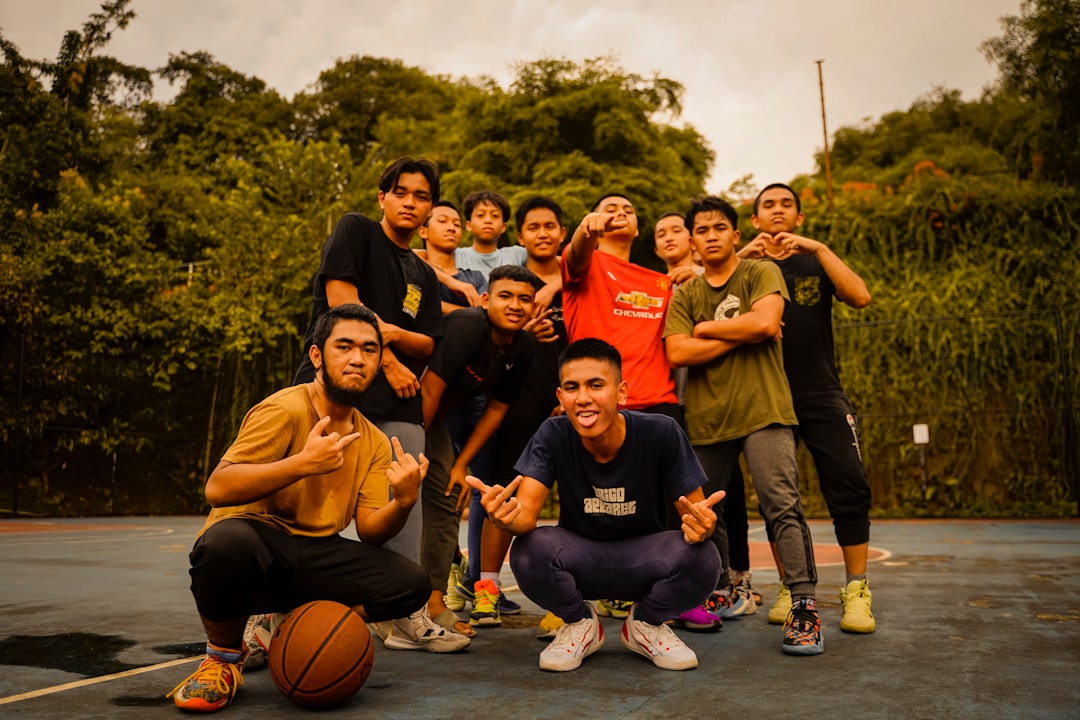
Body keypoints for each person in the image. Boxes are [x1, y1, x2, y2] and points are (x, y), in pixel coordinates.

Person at [168, 305, 468, 713]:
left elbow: (370, 531)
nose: (357, 358)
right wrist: (302, 464)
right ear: (316, 356)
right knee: (224, 543)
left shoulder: (374, 440)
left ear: (380, 362)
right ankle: (222, 659)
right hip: (258, 540)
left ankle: (290, 621)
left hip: (314, 551)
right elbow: (218, 488)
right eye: (343, 346)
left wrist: (404, 500)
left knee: (411, 582)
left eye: (369, 349)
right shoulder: (284, 409)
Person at [468, 338, 723, 672]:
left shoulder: (662, 432)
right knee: (529, 549)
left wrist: (703, 526)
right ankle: (579, 622)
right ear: (560, 397)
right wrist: (505, 518)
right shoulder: (553, 433)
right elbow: (525, 518)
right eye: (572, 387)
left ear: (621, 393)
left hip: (643, 559)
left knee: (704, 557)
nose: (584, 397)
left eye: (596, 385)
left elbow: (697, 516)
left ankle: (645, 624)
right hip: (580, 558)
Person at [664, 195, 824, 656]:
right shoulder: (687, 293)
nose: (711, 236)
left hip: (765, 410)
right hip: (708, 419)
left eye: (719, 228)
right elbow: (677, 353)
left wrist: (707, 330)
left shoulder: (760, 272)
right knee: (700, 512)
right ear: (692, 241)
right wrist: (744, 328)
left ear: (736, 235)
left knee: (781, 505)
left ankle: (804, 609)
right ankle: (718, 588)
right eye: (702, 230)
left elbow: (767, 321)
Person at [292, 156, 443, 578]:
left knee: (404, 494)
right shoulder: (355, 230)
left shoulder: (424, 274)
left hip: (398, 401)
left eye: (421, 196)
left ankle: (402, 611)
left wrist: (395, 334)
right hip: (332, 387)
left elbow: (429, 340)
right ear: (382, 197)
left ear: (430, 208)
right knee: (306, 498)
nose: (410, 202)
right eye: (400, 192)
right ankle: (278, 606)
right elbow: (343, 300)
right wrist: (389, 359)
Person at [740, 182, 875, 633]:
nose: (777, 211)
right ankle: (787, 586)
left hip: (820, 391)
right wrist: (744, 255)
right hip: (768, 395)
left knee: (850, 484)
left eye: (786, 205)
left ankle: (856, 591)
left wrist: (819, 246)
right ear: (755, 219)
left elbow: (859, 296)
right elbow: (712, 291)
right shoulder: (748, 268)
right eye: (768, 205)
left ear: (799, 217)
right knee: (777, 498)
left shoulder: (816, 260)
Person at [562, 194, 681, 621]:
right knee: (589, 507)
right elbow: (575, 255)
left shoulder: (659, 281)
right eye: (611, 207)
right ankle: (576, 602)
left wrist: (692, 273)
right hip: (598, 406)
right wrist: (584, 230)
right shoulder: (586, 263)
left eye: (629, 209)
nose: (620, 213)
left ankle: (663, 605)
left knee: (665, 513)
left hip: (659, 403)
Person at [457, 197, 568, 634]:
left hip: (567, 399)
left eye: (551, 226)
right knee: (503, 492)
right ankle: (485, 588)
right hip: (517, 399)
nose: (543, 233)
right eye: (533, 227)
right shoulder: (509, 281)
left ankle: (570, 594)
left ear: (562, 233)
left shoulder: (575, 278)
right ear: (518, 239)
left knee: (576, 495)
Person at [417, 265, 541, 634]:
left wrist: (461, 463)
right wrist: (415, 452)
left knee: (448, 494)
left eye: (524, 299)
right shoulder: (469, 326)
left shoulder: (524, 346)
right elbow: (428, 390)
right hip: (406, 408)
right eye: (505, 296)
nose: (515, 305)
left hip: (438, 415)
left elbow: (498, 408)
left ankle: (433, 600)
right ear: (486, 300)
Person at [654, 211, 756, 628]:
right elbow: (676, 348)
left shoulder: (707, 284)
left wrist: (706, 331)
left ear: (691, 239)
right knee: (685, 498)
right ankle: (698, 583)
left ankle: (740, 580)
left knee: (727, 494)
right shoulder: (651, 286)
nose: (670, 237)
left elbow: (757, 325)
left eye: (678, 229)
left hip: (712, 401)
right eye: (661, 233)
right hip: (666, 400)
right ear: (656, 246)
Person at [417, 200, 488, 314]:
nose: (451, 228)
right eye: (442, 221)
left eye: (457, 224)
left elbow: (485, 314)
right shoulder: (413, 270)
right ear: (423, 232)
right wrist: (450, 282)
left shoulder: (475, 278)